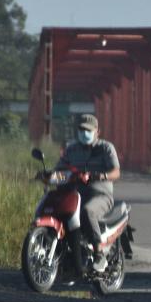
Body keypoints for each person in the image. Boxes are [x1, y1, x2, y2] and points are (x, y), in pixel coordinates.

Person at [54, 114, 121, 272]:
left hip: (100, 195)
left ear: (98, 132)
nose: (85, 133)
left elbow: (116, 172)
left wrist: (101, 176)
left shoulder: (105, 148)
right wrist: (48, 175)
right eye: (82, 129)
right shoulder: (71, 149)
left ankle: (99, 254)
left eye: (89, 130)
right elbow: (59, 169)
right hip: (75, 195)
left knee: (87, 211)